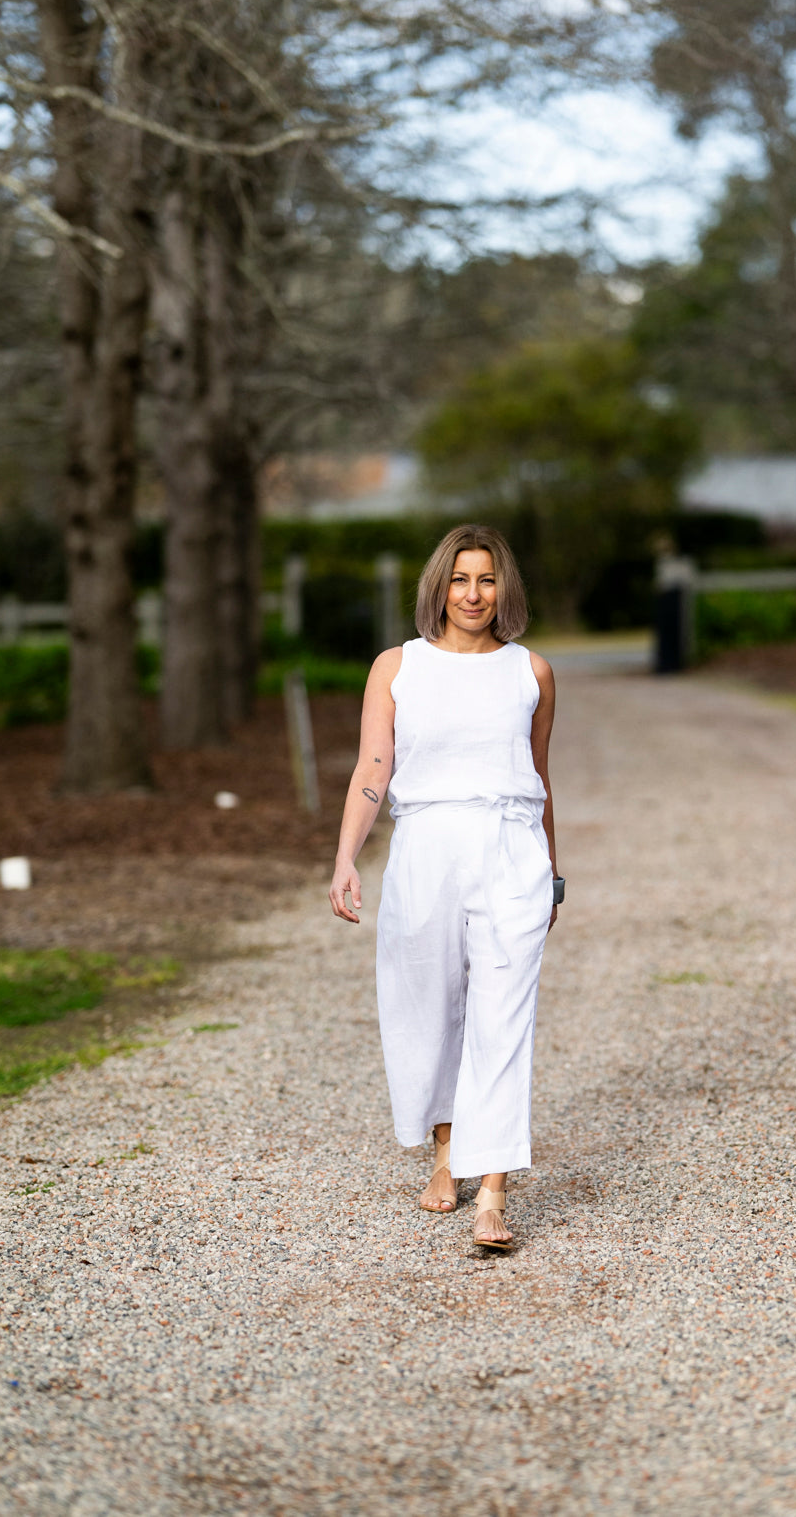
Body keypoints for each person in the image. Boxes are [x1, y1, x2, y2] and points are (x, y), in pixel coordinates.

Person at [328, 524, 561, 1251]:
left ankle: (492, 1190)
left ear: (505, 589)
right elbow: (374, 767)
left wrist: (551, 873)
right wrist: (345, 858)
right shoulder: (398, 667)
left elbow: (541, 780)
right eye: (460, 579)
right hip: (426, 846)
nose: (473, 593)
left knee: (503, 1016)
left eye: (487, 579)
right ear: (439, 586)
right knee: (428, 1006)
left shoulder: (533, 672)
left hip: (510, 849)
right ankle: (446, 1148)